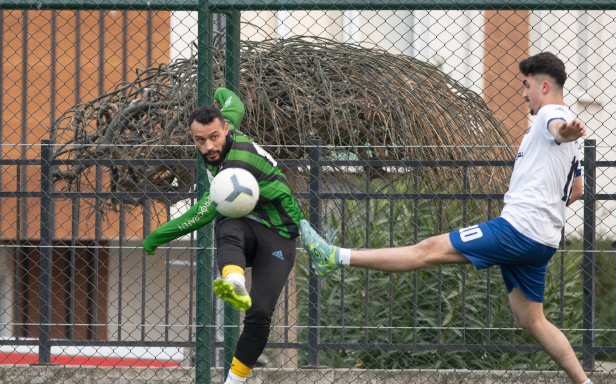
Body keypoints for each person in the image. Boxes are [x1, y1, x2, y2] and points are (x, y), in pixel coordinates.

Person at [300, 52, 592, 384]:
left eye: (526, 86)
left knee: (427, 250)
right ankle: (585, 383)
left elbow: (559, 128)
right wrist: (545, 200)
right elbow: (577, 190)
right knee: (532, 321)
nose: (523, 94)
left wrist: (565, 132)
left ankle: (332, 256)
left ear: (543, 85)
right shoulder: (564, 138)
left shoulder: (550, 116)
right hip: (543, 240)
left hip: (518, 230)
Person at [142, 88, 305, 384]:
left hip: (279, 232)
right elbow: (235, 104)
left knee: (258, 313)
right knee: (228, 222)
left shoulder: (234, 165)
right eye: (200, 140)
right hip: (244, 222)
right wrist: (220, 92)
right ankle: (234, 281)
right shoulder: (225, 125)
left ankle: (234, 381)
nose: (208, 146)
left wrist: (155, 237)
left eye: (214, 137)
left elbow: (199, 214)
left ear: (225, 130)